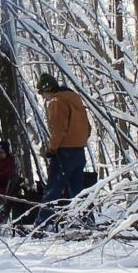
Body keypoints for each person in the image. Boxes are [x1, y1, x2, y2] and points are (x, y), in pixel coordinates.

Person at [34, 73, 92, 230]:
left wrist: (51, 149)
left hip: (64, 151)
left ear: (47, 89)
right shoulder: (75, 99)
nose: (43, 97)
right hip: (79, 151)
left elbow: (58, 130)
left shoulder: (56, 102)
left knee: (53, 189)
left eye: (42, 93)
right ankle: (87, 221)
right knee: (78, 190)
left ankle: (42, 224)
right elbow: (88, 127)